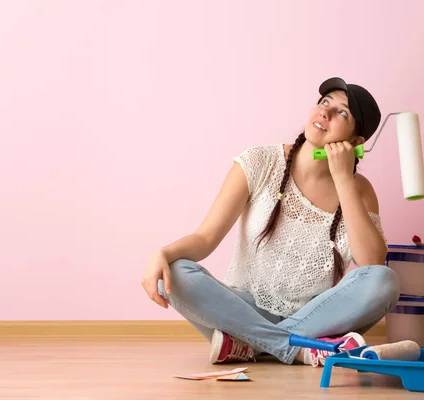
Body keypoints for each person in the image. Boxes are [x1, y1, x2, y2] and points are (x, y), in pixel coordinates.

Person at [141, 77, 401, 367]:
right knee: (175, 272)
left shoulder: (360, 190)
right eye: (325, 102)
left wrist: (343, 179)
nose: (325, 112)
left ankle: (249, 345)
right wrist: (162, 253)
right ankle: (295, 349)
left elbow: (371, 263)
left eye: (342, 112)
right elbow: (205, 239)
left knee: (384, 280)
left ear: (356, 142)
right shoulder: (260, 161)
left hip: (316, 318)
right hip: (241, 310)